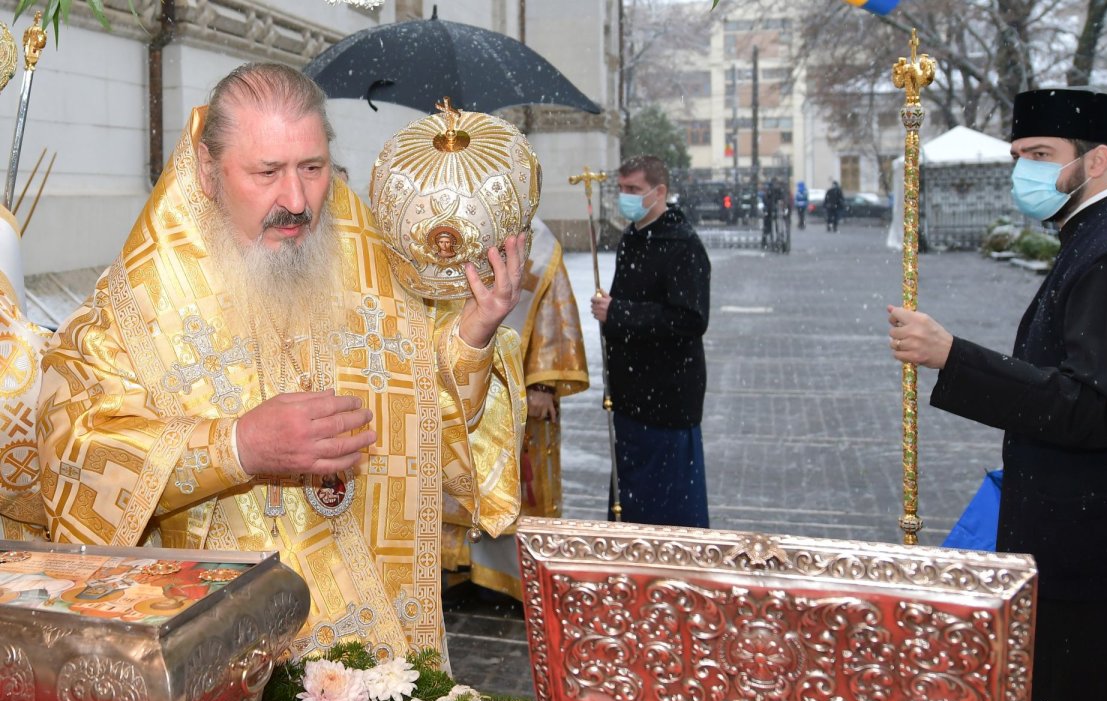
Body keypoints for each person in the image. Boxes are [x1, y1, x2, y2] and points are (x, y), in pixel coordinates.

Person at [36, 63, 526, 663]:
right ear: (210, 173)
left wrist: (474, 332)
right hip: (224, 650)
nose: (296, 202)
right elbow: (76, 452)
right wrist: (237, 446)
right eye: (266, 173)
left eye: (313, 169)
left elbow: (427, 406)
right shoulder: (140, 302)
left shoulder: (366, 256)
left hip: (377, 646)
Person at [886, 88, 1107, 701]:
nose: (1023, 171)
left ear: (1096, 160)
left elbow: (1092, 408)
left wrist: (953, 356)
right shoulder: (1103, 238)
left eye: (1040, 154)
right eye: (1018, 156)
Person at [443, 216, 589, 599]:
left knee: (505, 476)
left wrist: (542, 384)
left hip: (513, 383)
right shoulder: (447, 222)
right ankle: (456, 565)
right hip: (454, 379)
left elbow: (551, 311)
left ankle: (503, 575)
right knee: (453, 468)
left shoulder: (537, 240)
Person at [591, 155, 710, 528]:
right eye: (621, 189)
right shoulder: (633, 237)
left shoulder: (683, 245)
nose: (625, 197)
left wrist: (620, 313)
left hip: (666, 398)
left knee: (668, 507)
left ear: (659, 192)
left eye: (633, 190)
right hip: (631, 393)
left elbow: (690, 319)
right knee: (631, 502)